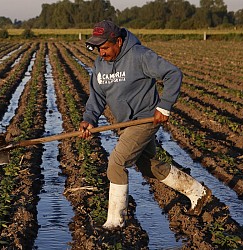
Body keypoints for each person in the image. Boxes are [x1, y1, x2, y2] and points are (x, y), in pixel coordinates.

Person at [79, 20, 212, 229]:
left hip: (145, 119)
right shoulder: (99, 65)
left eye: (104, 47)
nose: (101, 53)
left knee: (117, 163)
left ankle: (115, 222)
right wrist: (89, 120)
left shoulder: (139, 55)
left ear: (119, 41)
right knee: (147, 165)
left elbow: (173, 73)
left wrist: (164, 106)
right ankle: (197, 191)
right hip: (125, 123)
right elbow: (96, 97)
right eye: (98, 48)